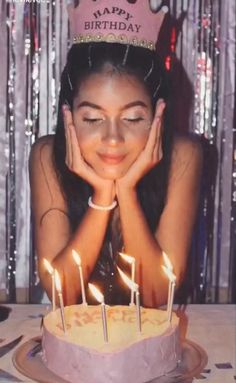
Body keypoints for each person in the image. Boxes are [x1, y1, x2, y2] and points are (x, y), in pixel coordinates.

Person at [29, 1, 202, 307]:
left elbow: (158, 294)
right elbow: (61, 294)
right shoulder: (46, 156)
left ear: (158, 115)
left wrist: (127, 191)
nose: (112, 138)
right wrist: (103, 196)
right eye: (93, 119)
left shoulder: (184, 157)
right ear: (68, 117)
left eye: (133, 118)